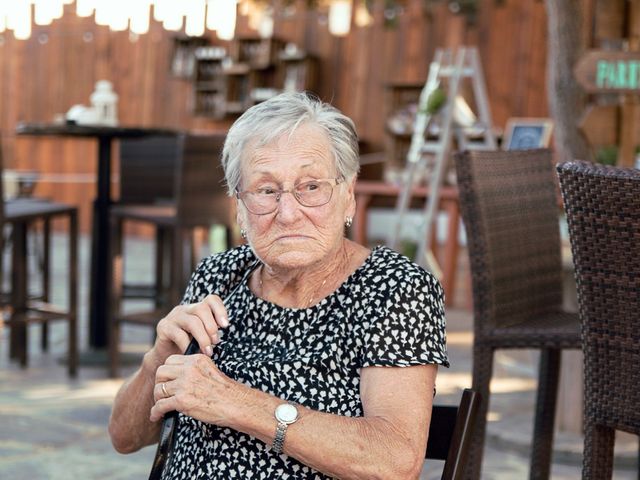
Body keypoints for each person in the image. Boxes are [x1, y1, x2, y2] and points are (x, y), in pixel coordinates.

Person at [108, 92, 449, 479]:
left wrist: (235, 402)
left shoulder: (393, 290)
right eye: (266, 191)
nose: (287, 213)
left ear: (348, 194)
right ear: (238, 205)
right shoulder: (220, 276)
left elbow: (394, 462)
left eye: (311, 187)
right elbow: (125, 437)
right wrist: (160, 357)